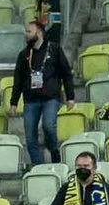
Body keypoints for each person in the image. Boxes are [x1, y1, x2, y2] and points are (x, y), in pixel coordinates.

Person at [10, 20, 73, 169]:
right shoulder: (24, 54)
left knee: (48, 126)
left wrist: (70, 97)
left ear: (39, 33)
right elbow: (18, 79)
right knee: (30, 137)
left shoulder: (54, 50)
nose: (26, 35)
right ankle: (38, 168)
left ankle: (53, 150)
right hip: (30, 100)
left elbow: (66, 74)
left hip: (50, 98)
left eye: (29, 31)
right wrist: (13, 102)